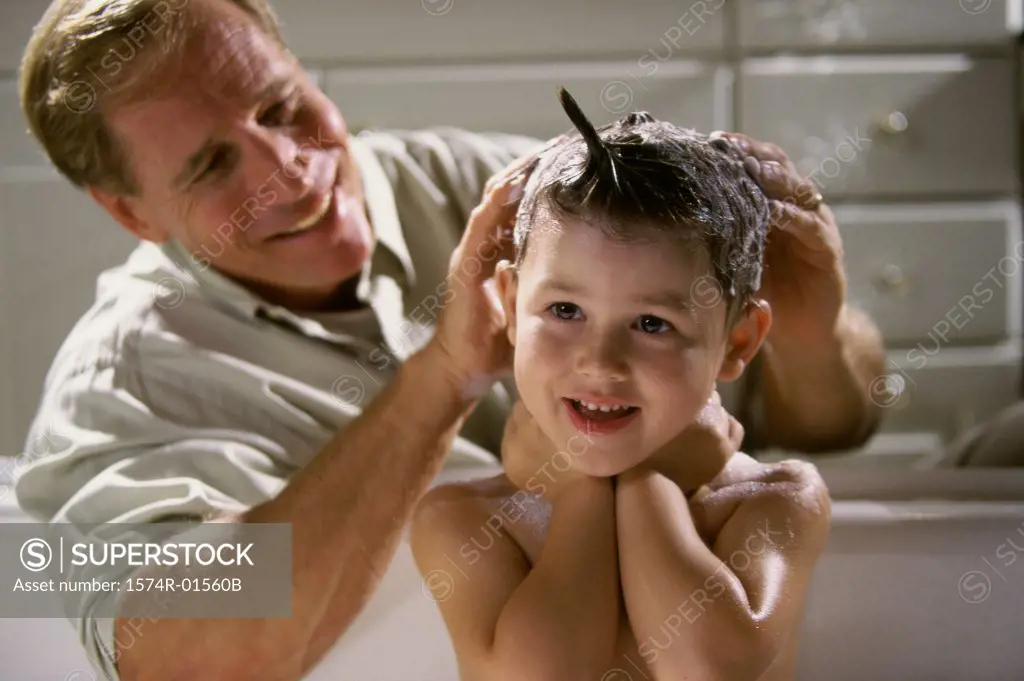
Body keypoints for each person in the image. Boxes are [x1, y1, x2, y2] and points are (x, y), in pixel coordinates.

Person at [14, 0, 882, 679]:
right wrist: (443, 375)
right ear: (130, 212)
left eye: (284, 105)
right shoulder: (117, 386)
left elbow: (836, 426)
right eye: (211, 165)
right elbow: (171, 659)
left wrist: (813, 332)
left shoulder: (507, 197)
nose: (289, 168)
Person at [410, 89, 829, 681]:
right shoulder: (465, 521)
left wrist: (643, 483)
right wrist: (580, 492)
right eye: (564, 310)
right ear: (509, 304)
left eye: (652, 323)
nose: (601, 363)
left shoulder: (775, 498)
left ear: (738, 341)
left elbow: (709, 670)